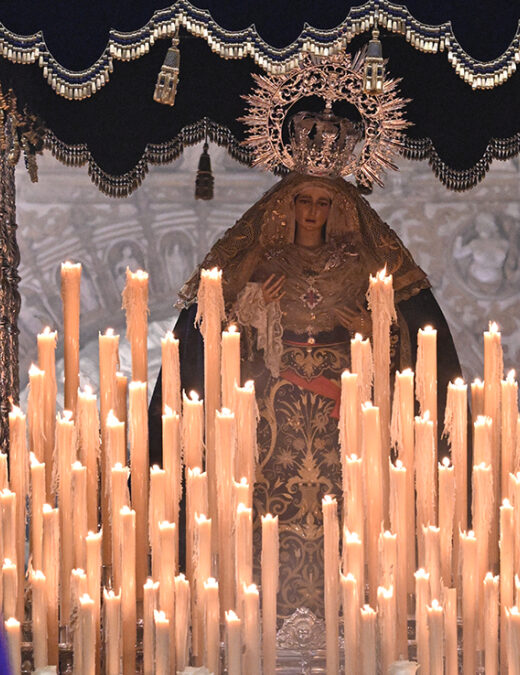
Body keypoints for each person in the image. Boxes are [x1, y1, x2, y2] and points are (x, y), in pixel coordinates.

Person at [151, 169, 462, 617]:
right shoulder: (259, 264)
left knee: (355, 514)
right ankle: (257, 616)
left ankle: (355, 614)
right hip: (271, 429)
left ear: (339, 211)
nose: (313, 212)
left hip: (346, 425)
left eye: (323, 202)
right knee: (261, 521)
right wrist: (256, 307)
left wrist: (374, 329)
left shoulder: (363, 266)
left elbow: (408, 347)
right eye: (304, 200)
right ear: (287, 206)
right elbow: (216, 341)